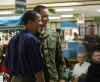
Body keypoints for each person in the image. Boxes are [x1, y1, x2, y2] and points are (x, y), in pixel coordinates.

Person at [4, 10, 45, 82]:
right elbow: (37, 69)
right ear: (30, 22)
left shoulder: (13, 39)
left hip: (14, 79)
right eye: (39, 21)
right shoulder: (32, 40)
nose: (41, 23)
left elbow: (6, 62)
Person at [34, 5, 67, 82]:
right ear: (36, 18)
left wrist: (62, 78)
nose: (47, 19)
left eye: (48, 17)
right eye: (44, 16)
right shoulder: (29, 38)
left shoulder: (53, 35)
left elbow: (60, 60)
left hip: (53, 79)